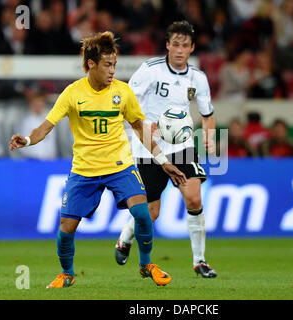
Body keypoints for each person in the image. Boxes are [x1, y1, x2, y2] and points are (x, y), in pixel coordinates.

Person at [9, 31, 186, 288]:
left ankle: (146, 264)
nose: (113, 70)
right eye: (107, 65)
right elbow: (45, 127)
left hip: (120, 165)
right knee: (66, 227)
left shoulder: (123, 92)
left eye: (114, 64)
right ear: (91, 64)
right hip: (85, 169)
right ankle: (66, 273)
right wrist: (26, 139)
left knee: (143, 213)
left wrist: (163, 160)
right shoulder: (72, 93)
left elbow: (139, 128)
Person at [115, 21, 218, 278]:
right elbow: (126, 103)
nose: (180, 50)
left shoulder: (198, 78)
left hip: (182, 146)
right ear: (167, 45)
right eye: (175, 44)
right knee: (150, 212)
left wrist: (209, 135)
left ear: (192, 47)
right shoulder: (150, 70)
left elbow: (207, 113)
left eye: (185, 45)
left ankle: (200, 261)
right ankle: (125, 239)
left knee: (194, 198)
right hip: (148, 147)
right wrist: (148, 126)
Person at [15, 92, 58, 159]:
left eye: (41, 104)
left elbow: (51, 141)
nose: (39, 107)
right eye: (36, 104)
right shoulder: (25, 122)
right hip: (31, 159)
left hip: (48, 159)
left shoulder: (49, 121)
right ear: (31, 105)